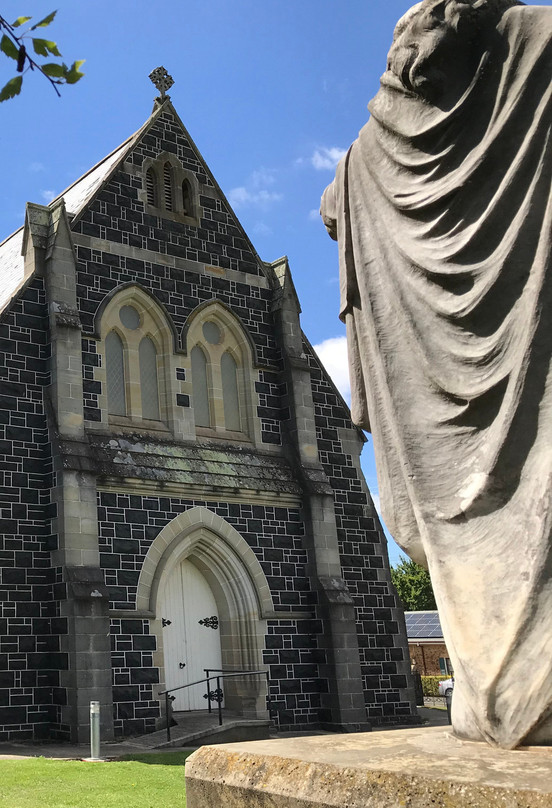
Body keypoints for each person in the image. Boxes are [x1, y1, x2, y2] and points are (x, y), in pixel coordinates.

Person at [321, 0, 552, 749]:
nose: (401, 58)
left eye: (414, 36)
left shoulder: (527, 47)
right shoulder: (370, 152)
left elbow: (333, 206)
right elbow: (334, 205)